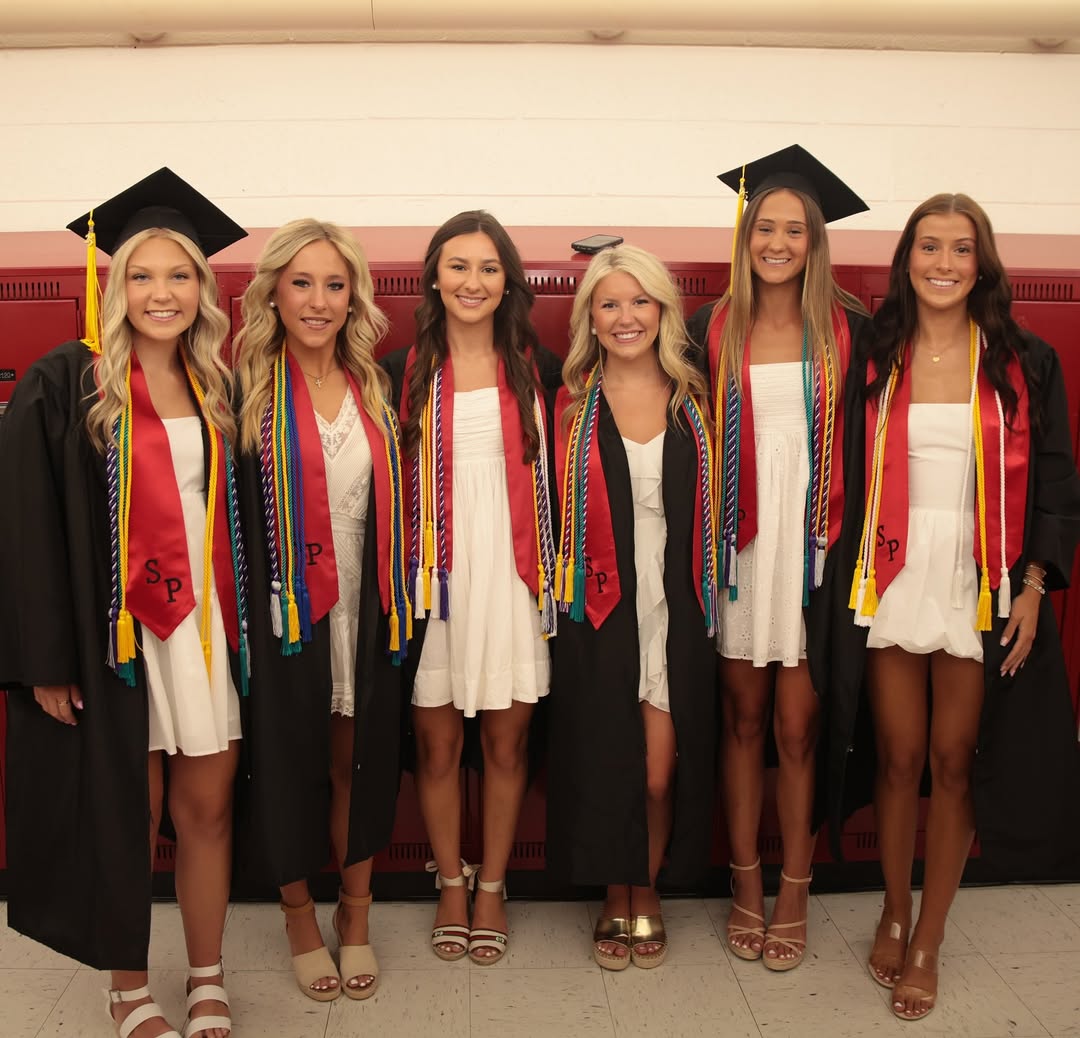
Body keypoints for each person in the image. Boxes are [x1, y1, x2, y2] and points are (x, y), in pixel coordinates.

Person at [0, 168, 250, 1038]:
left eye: (179, 275)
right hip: (116, 634)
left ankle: (208, 976)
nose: (161, 293)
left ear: (203, 288)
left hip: (204, 631)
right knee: (126, 817)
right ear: (113, 286)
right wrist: (44, 661)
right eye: (141, 275)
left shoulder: (218, 385)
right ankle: (128, 986)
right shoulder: (66, 382)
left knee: (206, 809)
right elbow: (26, 525)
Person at [824, 193, 1080, 1021]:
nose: (943, 263)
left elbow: (1055, 477)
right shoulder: (876, 353)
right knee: (898, 756)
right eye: (928, 247)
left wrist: (1034, 584)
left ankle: (930, 938)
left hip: (980, 576)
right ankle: (894, 911)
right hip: (892, 570)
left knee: (952, 758)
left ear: (982, 263)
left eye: (960, 249)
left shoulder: (1024, 359)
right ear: (907, 261)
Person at [686, 145, 872, 970]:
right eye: (766, 226)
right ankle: (745, 880)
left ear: (815, 240)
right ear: (745, 232)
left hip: (814, 549)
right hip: (738, 548)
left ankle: (796, 884)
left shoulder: (851, 329)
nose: (778, 242)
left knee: (798, 726)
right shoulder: (709, 327)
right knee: (742, 719)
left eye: (796, 229)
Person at [234, 219, 411, 1002]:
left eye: (334, 285)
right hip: (285, 611)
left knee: (355, 760)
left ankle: (356, 913)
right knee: (288, 764)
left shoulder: (374, 385)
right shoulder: (244, 390)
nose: (317, 300)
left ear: (353, 298)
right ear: (273, 292)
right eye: (301, 283)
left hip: (365, 607)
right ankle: (300, 918)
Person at [382, 210, 561, 966]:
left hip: (514, 571)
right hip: (437, 578)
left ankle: (492, 886)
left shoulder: (539, 367)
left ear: (508, 282)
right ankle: (450, 883)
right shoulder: (401, 371)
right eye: (458, 266)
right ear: (433, 278)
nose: (473, 281)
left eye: (489, 268)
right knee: (436, 741)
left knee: (506, 740)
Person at [546, 244, 717, 970]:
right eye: (609, 303)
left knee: (657, 770)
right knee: (608, 757)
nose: (626, 317)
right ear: (590, 316)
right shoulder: (571, 407)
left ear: (663, 311)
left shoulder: (693, 401)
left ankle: (647, 886)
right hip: (598, 601)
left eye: (640, 301)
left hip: (674, 600)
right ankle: (618, 894)